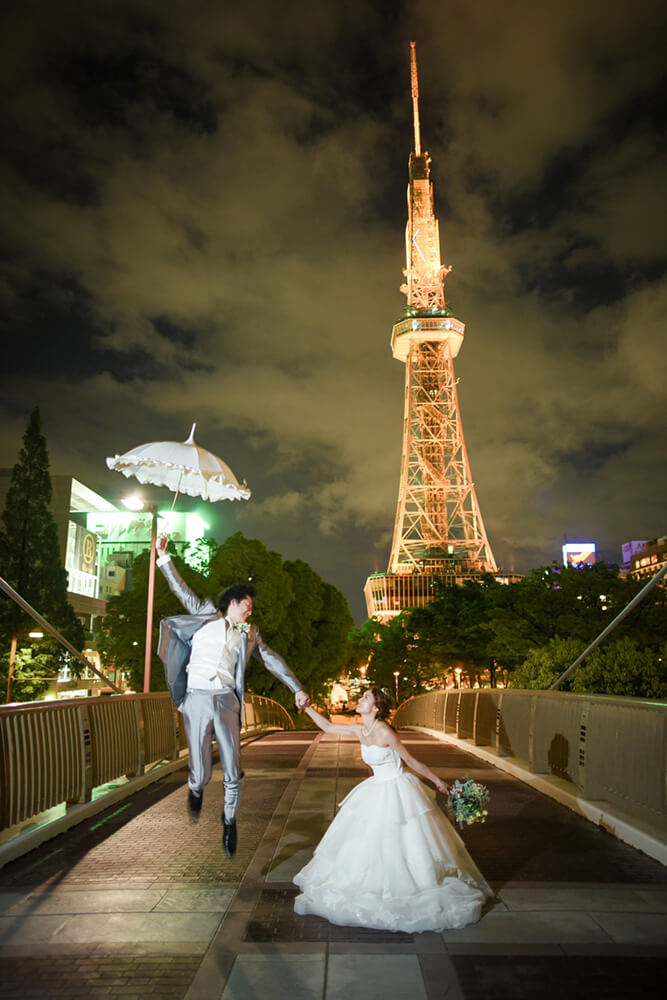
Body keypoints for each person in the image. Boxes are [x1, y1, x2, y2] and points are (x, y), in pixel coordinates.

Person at [155, 535, 310, 857]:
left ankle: (229, 821)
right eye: (247, 607)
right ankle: (195, 788)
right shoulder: (205, 615)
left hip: (226, 699)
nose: (250, 613)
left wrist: (296, 688)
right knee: (199, 770)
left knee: (231, 764)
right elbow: (179, 589)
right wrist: (162, 556)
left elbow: (271, 659)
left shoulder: (248, 633)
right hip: (196, 697)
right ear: (233, 603)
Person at [293, 688, 492, 932]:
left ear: (376, 708)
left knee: (402, 841)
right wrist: (307, 707)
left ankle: (409, 886)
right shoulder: (360, 729)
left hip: (398, 790)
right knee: (371, 841)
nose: (360, 700)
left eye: (365, 697)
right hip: (375, 788)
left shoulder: (384, 731)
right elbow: (328, 727)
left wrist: (439, 783)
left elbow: (411, 761)